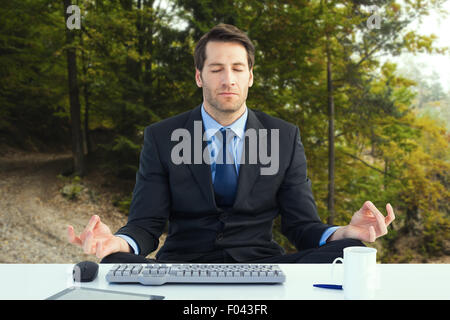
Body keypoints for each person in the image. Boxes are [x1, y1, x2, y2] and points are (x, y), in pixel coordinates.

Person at [67, 24, 395, 263]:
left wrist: (345, 234)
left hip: (262, 262)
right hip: (184, 263)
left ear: (251, 76)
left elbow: (302, 226)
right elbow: (146, 224)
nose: (228, 79)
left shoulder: (283, 137)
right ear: (199, 76)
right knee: (116, 261)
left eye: (238, 68)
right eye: (216, 69)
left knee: (348, 252)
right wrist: (117, 242)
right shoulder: (162, 136)